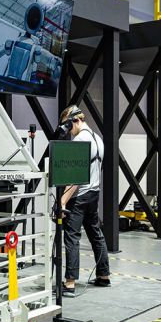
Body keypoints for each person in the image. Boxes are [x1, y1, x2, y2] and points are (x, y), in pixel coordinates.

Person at [57, 105, 111, 292]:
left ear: (75, 121)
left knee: (72, 237)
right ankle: (104, 275)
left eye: (67, 126)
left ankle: (70, 282)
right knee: (95, 234)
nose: (68, 131)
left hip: (79, 196)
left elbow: (76, 177)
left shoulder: (80, 140)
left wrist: (62, 201)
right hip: (94, 194)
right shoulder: (98, 138)